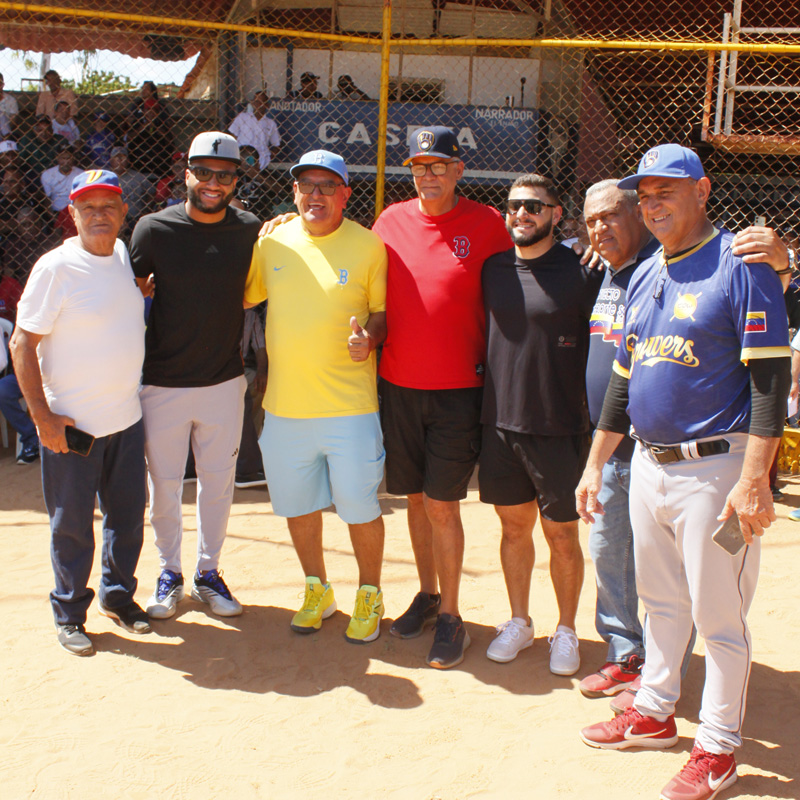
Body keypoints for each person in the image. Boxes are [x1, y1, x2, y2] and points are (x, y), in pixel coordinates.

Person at [576, 144, 791, 800]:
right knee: (661, 601)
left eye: (666, 191)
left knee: (720, 617)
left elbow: (770, 380)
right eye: (645, 195)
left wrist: (754, 479)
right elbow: (623, 379)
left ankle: (718, 750)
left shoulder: (742, 264)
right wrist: (595, 463)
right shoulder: (644, 272)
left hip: (716, 470)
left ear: (702, 190)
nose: (653, 204)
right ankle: (655, 710)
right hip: (648, 463)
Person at [373, 126, 511, 668]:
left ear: (458, 170)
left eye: (438, 165)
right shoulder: (390, 221)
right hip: (399, 385)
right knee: (413, 498)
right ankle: (428, 595)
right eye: (418, 166)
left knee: (441, 503)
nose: (427, 175)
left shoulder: (487, 224)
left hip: (459, 389)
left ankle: (452, 616)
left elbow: (523, 269)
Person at [245, 149, 388, 643]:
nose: (316, 194)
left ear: (345, 194)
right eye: (306, 185)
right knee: (299, 506)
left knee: (359, 507)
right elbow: (244, 295)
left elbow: (379, 313)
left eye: (328, 186)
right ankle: (317, 590)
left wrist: (370, 339)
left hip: (350, 408)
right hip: (285, 409)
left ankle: (369, 594)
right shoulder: (272, 242)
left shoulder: (369, 246)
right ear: (294, 192)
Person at [9, 169, 150, 656]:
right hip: (73, 428)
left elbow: (113, 304)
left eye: (108, 205)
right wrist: (42, 419)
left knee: (127, 518)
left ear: (123, 212)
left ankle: (118, 597)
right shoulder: (55, 268)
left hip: (126, 419)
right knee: (71, 525)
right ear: (71, 213)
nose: (98, 215)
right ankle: (70, 613)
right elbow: (22, 343)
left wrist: (141, 291)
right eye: (87, 207)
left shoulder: (122, 255)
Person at [129, 131, 261, 621]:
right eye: (203, 172)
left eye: (224, 175)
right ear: (186, 174)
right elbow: (129, 292)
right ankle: (169, 572)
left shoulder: (250, 229)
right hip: (162, 382)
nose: (212, 183)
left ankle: (208, 572)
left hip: (224, 381)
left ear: (235, 181)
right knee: (164, 486)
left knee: (218, 484)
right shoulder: (152, 229)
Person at [479, 175, 602, 674]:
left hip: (559, 426)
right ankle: (519, 621)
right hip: (501, 424)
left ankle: (566, 629)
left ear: (555, 214)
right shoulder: (492, 269)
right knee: (513, 530)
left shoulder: (585, 271)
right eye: (513, 206)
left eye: (533, 205)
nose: (522, 214)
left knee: (562, 536)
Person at [229, 90, 280, 171]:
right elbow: (232, 137)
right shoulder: (242, 117)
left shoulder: (270, 123)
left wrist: (269, 157)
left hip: (261, 161)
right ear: (252, 103)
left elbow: (276, 145)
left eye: (261, 102)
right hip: (242, 158)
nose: (258, 105)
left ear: (267, 105)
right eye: (256, 102)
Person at [109, 148, 154, 235]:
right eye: (116, 157)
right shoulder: (107, 178)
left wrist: (146, 210)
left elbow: (152, 192)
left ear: (128, 161)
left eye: (123, 157)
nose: (120, 161)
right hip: (115, 219)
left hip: (136, 218)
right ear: (111, 161)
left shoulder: (138, 176)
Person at [40, 143, 82, 214]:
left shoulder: (81, 174)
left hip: (75, 211)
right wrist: (51, 216)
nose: (66, 162)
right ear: (57, 158)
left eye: (68, 158)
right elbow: (47, 198)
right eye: (63, 158)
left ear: (73, 158)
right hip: (56, 211)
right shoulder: (48, 174)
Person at [0, 73, 19, 139]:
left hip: (4, 131)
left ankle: (5, 137)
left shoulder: (10, 100)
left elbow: (13, 122)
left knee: (2, 115)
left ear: (2, 85)